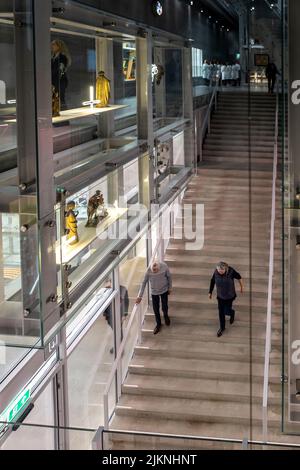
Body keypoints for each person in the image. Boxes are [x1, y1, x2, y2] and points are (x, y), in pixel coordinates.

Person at [136, 261, 172, 335]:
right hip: (154, 291)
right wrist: (140, 296)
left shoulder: (164, 266)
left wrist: (170, 288)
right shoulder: (148, 271)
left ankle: (166, 316)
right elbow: (144, 283)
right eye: (153, 271)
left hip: (164, 289)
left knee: (164, 306)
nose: (154, 272)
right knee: (156, 309)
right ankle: (158, 324)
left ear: (159, 268)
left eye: (156, 271)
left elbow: (169, 277)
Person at [208, 262, 244, 337]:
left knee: (226, 311)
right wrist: (210, 292)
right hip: (220, 296)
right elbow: (212, 281)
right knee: (221, 312)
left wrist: (241, 287)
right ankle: (222, 328)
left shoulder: (231, 271)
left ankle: (232, 313)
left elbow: (239, 277)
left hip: (229, 296)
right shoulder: (216, 272)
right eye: (218, 270)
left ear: (226, 268)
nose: (220, 272)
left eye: (222, 270)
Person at [51, 39, 71, 113]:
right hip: (54, 80)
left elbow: (60, 70)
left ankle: (63, 119)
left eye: (54, 45)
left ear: (59, 46)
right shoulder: (53, 57)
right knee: (55, 98)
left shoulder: (62, 57)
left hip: (60, 81)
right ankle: (56, 114)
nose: (52, 46)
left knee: (60, 98)